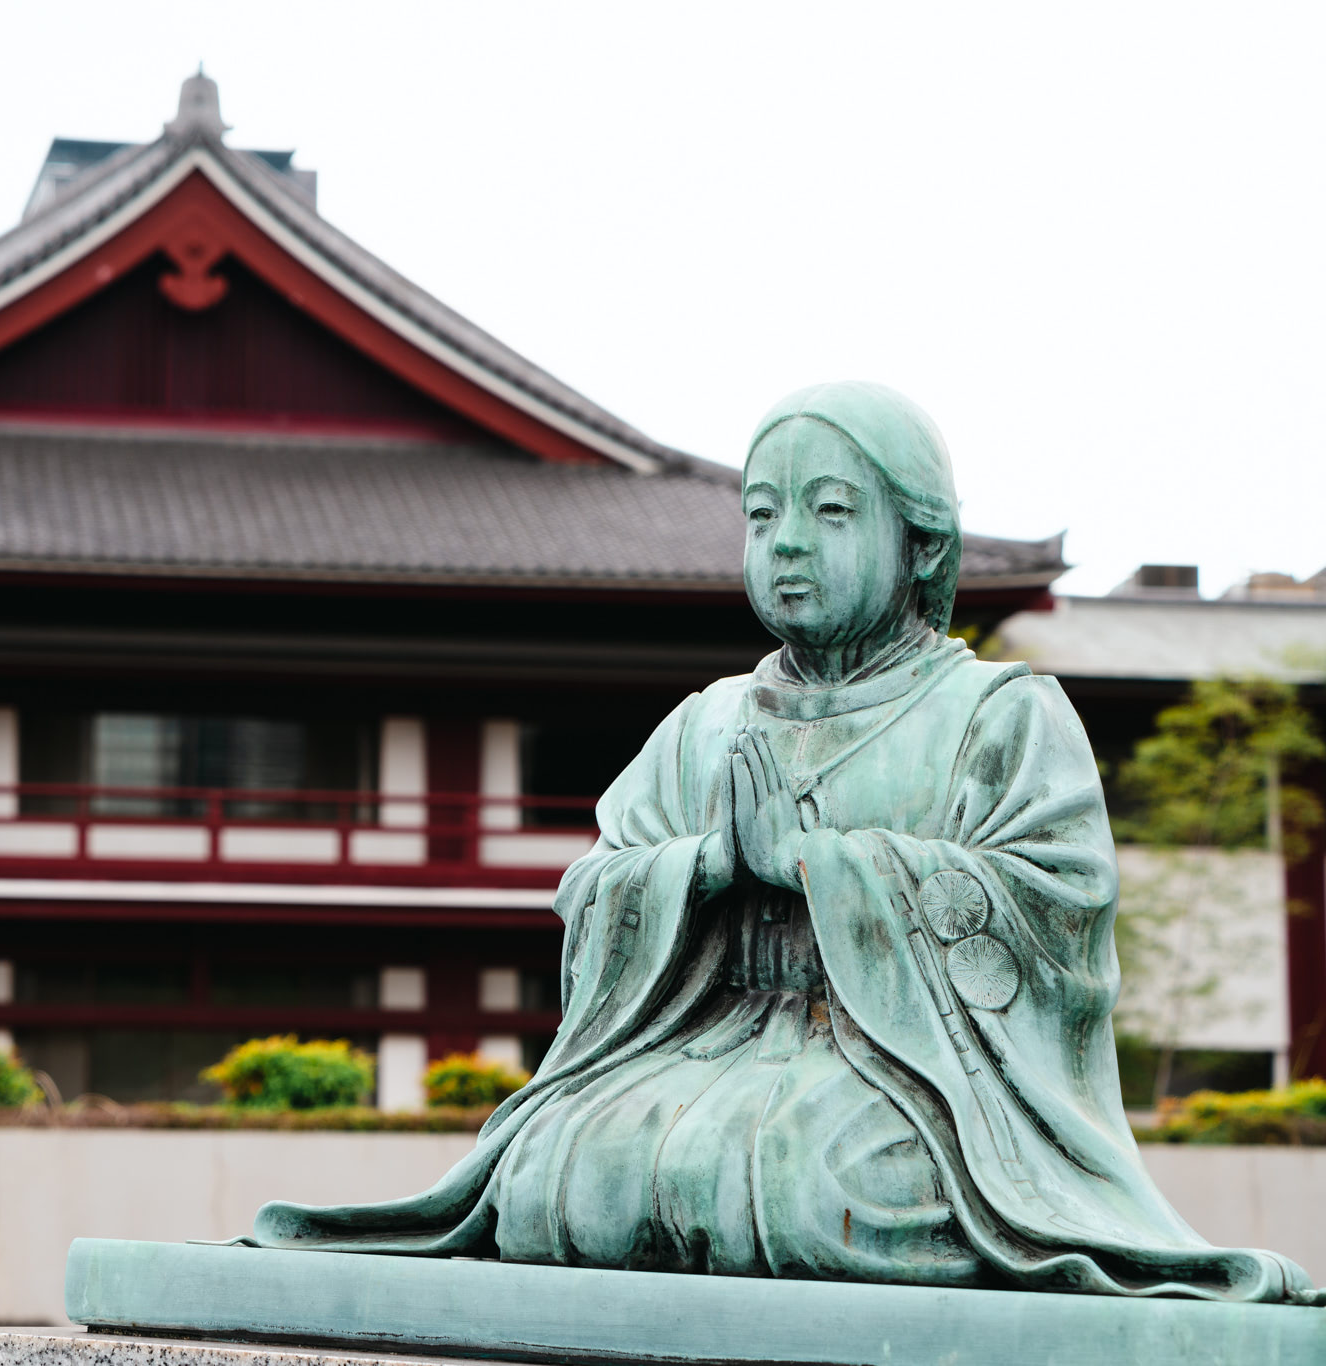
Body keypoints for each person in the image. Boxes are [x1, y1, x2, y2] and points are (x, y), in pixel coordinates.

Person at [251, 381, 1320, 1305]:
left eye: (829, 510)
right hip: (695, 1048)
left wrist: (827, 866)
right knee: (555, 1170)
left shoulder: (1000, 716)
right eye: (762, 515)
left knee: (815, 1186)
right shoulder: (702, 723)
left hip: (905, 1081)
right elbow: (593, 890)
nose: (788, 543)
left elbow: (1056, 916)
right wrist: (704, 868)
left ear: (921, 542)